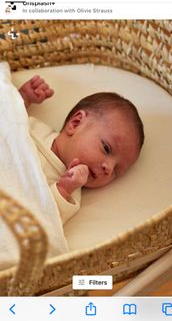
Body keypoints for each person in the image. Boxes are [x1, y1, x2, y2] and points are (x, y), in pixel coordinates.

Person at [19, 75, 144, 223]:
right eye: (106, 148)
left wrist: (63, 189)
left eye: (116, 171)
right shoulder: (33, 129)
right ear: (76, 123)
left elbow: (44, 219)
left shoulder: (71, 194)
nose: (108, 169)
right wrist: (23, 98)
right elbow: (8, 118)